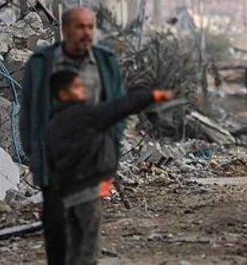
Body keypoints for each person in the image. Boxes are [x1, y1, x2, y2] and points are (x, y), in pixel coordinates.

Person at [20, 6, 125, 265]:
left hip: (92, 163)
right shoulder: (42, 64)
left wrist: (111, 147)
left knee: (88, 228)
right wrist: (34, 153)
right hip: (56, 163)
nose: (86, 33)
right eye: (80, 27)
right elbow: (29, 112)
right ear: (65, 30)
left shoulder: (105, 62)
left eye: (90, 27)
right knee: (57, 228)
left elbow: (117, 109)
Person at [46, 70, 174, 265]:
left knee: (74, 242)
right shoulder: (85, 115)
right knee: (89, 243)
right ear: (63, 93)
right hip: (86, 190)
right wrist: (151, 95)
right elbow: (120, 107)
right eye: (76, 87)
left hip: (66, 192)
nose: (82, 90)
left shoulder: (54, 121)